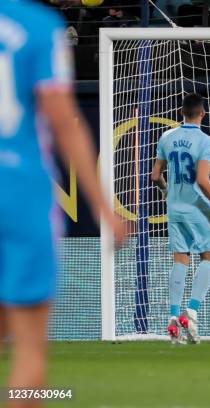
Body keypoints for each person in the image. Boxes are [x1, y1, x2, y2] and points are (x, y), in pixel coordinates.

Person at [0, 1, 125, 405]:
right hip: (18, 192)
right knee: (30, 348)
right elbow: (62, 120)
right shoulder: (36, 25)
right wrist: (105, 206)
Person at [150, 93, 210, 344]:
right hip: (198, 208)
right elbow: (202, 179)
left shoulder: (166, 137)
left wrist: (167, 191)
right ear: (202, 114)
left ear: (181, 112)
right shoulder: (208, 142)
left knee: (180, 258)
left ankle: (173, 317)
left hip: (175, 208)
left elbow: (155, 176)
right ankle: (192, 312)